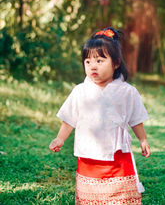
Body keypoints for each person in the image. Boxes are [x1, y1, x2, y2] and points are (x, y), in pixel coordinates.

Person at [49, 27, 151, 204]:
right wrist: (60, 138)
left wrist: (143, 140)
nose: (93, 66)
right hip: (89, 159)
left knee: (121, 199)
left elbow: (136, 119)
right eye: (88, 61)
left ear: (116, 63)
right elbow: (69, 119)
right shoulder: (80, 91)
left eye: (100, 60)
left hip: (118, 158)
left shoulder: (128, 92)